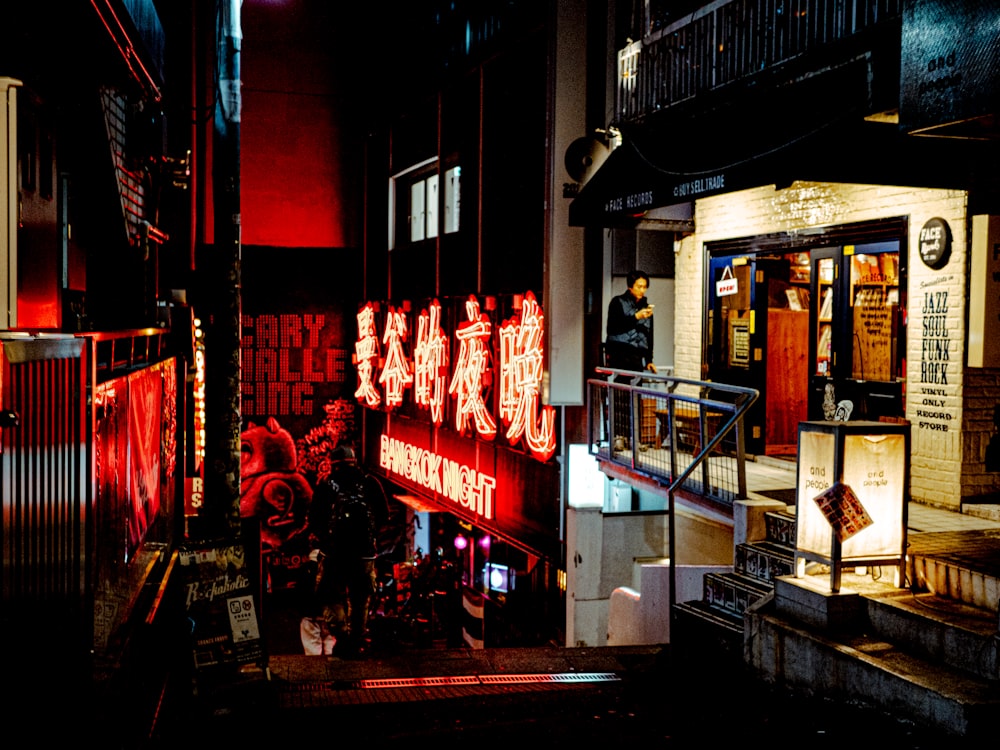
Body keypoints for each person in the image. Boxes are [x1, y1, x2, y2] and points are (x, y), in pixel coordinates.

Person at [308, 445, 389, 657]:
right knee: (360, 598)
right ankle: (356, 639)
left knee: (330, 595)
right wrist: (370, 540)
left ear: (332, 464)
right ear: (354, 461)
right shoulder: (370, 482)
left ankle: (341, 636)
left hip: (334, 554)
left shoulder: (325, 485)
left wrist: (326, 539)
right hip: (364, 554)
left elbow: (314, 519)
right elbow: (384, 515)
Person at [605, 270, 657, 374]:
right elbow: (612, 327)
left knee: (636, 383)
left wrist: (649, 360)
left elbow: (649, 334)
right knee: (624, 384)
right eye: (639, 287)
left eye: (645, 287)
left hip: (637, 354)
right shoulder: (618, 302)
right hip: (620, 351)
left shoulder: (646, 308)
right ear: (630, 286)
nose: (642, 290)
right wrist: (636, 317)